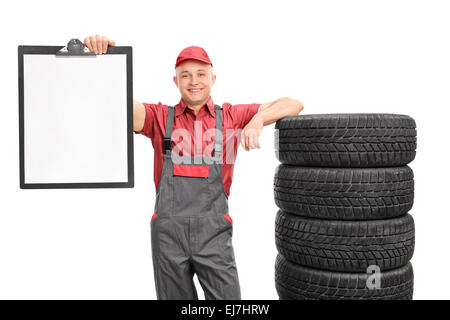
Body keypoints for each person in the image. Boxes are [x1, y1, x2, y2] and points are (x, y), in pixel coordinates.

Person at [83, 34, 304, 300]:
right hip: (168, 236)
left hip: (214, 233)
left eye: (201, 73)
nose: (194, 81)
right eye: (185, 75)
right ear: (175, 81)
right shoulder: (159, 117)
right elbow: (115, 103)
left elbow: (294, 104)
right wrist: (101, 60)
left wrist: (258, 119)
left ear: (213, 78)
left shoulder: (232, 116)